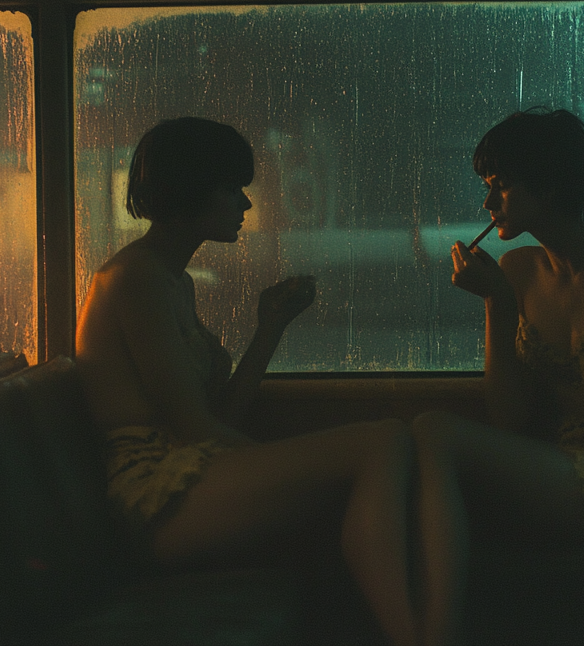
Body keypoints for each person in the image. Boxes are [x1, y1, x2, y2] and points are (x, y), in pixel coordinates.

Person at [74, 117, 420, 646]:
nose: (246, 204)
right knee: (384, 441)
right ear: (191, 191)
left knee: (383, 448)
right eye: (232, 189)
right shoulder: (133, 280)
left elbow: (214, 423)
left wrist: (271, 328)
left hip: (188, 474)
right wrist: (279, 459)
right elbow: (193, 429)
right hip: (153, 499)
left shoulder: (173, 280)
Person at [412, 108, 584, 646]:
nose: (489, 205)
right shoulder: (516, 271)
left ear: (549, 185)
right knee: (421, 434)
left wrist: (541, 381)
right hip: (556, 464)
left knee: (435, 433)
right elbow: (509, 416)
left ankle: (435, 635)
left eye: (501, 186)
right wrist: (497, 301)